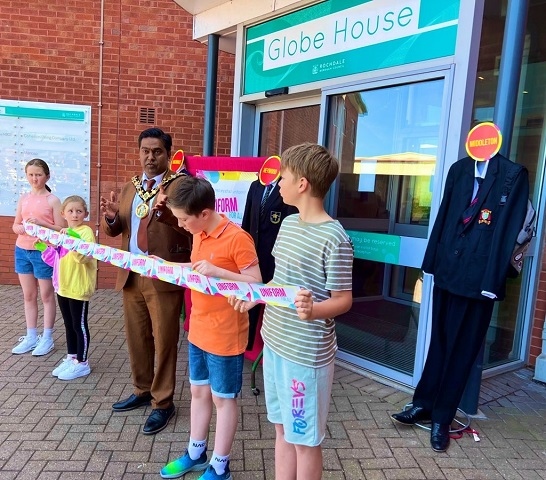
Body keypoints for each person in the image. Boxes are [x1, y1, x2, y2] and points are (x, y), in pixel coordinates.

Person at [230, 143, 354, 480]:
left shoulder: (335, 238)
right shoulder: (288, 224)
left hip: (305, 355)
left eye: (283, 177)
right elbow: (279, 282)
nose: (277, 183)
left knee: (306, 442)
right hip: (274, 343)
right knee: (282, 429)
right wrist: (258, 297)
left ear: (302, 184)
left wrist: (314, 310)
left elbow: (343, 300)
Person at [390, 153, 529, 452]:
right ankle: (423, 403)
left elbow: (507, 231)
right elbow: (444, 214)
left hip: (479, 279)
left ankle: (443, 417)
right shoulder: (460, 168)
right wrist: (432, 263)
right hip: (448, 271)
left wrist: (493, 282)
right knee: (438, 342)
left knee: (462, 350)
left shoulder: (513, 174)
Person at [160, 176, 262, 480]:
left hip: (226, 334)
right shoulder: (199, 232)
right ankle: (196, 453)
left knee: (223, 398)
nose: (180, 225)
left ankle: (221, 466)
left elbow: (257, 284)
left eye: (183, 218)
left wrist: (218, 272)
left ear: (203, 213)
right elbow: (196, 270)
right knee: (199, 391)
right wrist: (162, 265)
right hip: (199, 329)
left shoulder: (238, 238)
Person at [100, 127, 192, 435]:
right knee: (137, 337)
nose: (150, 157)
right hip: (132, 274)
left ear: (168, 154)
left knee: (164, 340)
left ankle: (163, 402)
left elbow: (192, 230)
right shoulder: (131, 186)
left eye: (157, 152)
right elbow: (117, 230)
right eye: (145, 151)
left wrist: (167, 216)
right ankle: (141, 390)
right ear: (139, 152)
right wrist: (113, 217)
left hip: (163, 275)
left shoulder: (180, 187)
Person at [39, 195, 97, 380]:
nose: (75, 215)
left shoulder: (86, 232)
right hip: (63, 287)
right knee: (69, 324)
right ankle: (72, 357)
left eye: (79, 211)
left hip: (78, 287)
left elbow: (84, 257)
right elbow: (55, 259)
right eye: (70, 211)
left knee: (79, 325)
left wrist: (72, 239)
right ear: (63, 213)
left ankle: (83, 363)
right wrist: (43, 248)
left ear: (85, 214)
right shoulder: (62, 233)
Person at [12, 158, 65, 356]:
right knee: (29, 295)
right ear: (27, 176)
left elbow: (62, 229)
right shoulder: (23, 198)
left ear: (47, 176)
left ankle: (47, 337)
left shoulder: (52, 200)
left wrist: (41, 226)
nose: (35, 178)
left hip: (43, 252)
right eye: (31, 174)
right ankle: (31, 336)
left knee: (46, 295)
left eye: (39, 174)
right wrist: (23, 228)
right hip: (22, 251)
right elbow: (16, 225)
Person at [241, 177, 297, 349]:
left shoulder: (285, 188)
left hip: (273, 255)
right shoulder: (256, 186)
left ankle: (269, 345)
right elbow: (247, 219)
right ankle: (246, 343)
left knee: (272, 298)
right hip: (252, 253)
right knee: (250, 296)